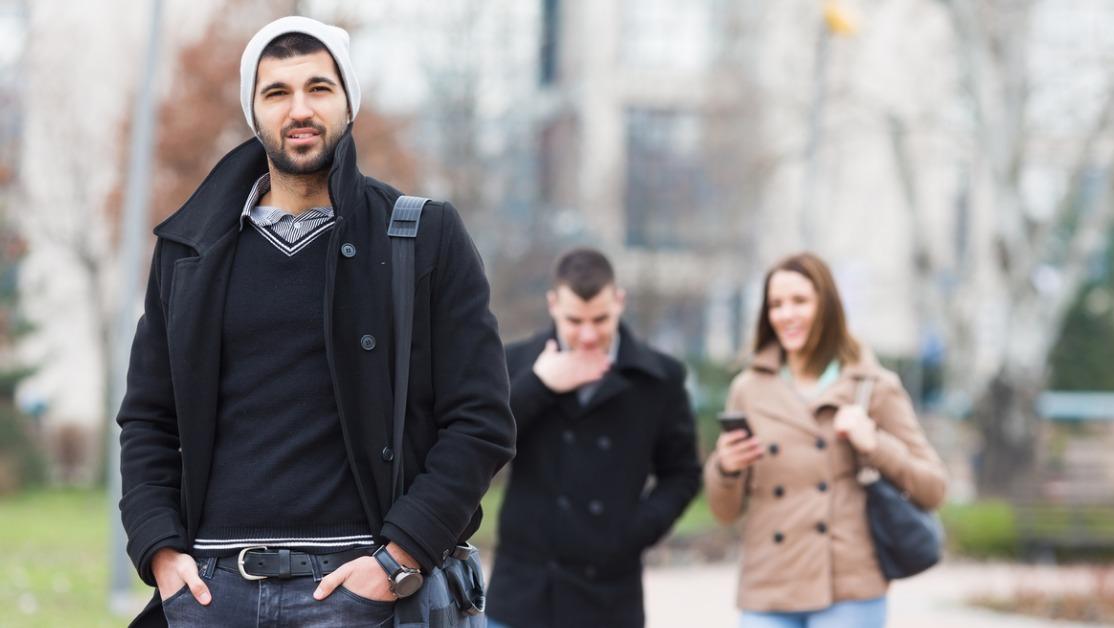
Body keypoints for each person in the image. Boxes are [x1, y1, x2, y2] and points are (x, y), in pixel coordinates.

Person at [116, 16, 515, 628]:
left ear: (349, 103)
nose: (299, 108)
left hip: (359, 586)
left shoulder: (422, 237)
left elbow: (481, 421)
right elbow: (148, 416)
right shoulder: (189, 251)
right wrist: (161, 552)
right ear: (253, 112)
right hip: (211, 591)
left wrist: (398, 559)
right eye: (276, 92)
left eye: (318, 88)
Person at [705, 252, 947, 628]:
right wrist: (725, 468)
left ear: (827, 305)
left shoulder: (873, 386)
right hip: (769, 585)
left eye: (799, 301)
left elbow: (934, 489)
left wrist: (875, 444)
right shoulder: (748, 389)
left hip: (848, 587)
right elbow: (724, 512)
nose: (787, 315)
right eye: (776, 304)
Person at [486, 248, 701, 628]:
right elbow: (482, 446)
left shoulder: (659, 378)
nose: (587, 335)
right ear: (553, 304)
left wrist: (634, 531)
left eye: (600, 319)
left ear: (619, 301)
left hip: (608, 594)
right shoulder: (516, 363)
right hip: (523, 591)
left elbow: (682, 473)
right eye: (575, 320)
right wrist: (539, 386)